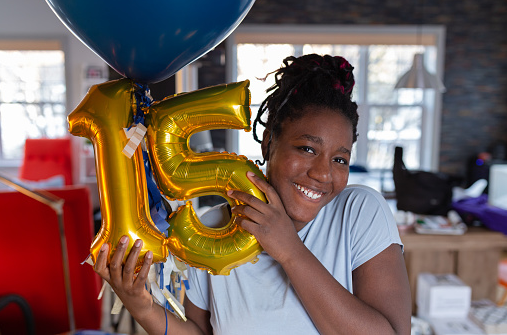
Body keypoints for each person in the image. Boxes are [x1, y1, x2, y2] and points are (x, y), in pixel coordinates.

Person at [94, 54, 412, 335]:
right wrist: (142, 307)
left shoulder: (360, 212)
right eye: (307, 149)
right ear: (268, 142)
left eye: (340, 159)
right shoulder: (211, 230)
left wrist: (290, 250)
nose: (323, 174)